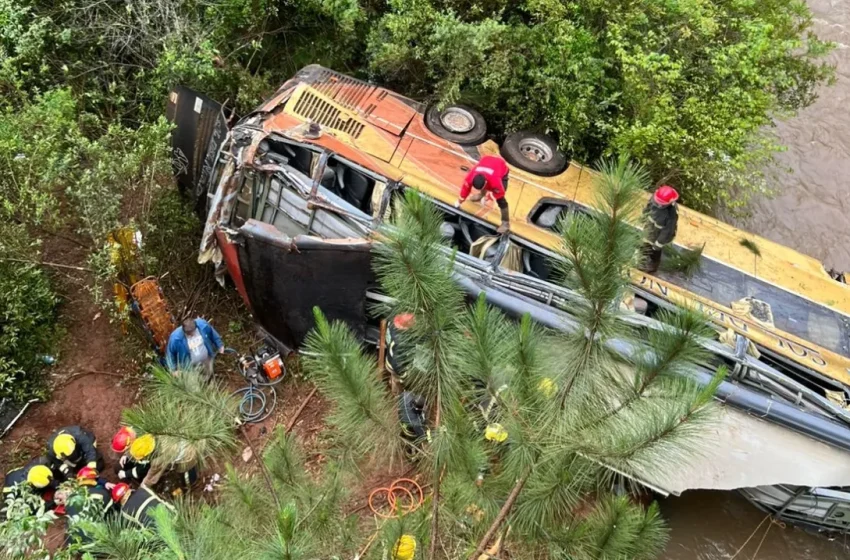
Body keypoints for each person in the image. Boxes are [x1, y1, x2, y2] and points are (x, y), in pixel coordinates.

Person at [454, 155, 511, 234]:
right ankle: (480, 195)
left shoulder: (495, 180)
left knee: (501, 201)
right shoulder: (471, 176)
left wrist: (488, 197)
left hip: (500, 167)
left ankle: (505, 223)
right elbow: (465, 188)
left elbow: (500, 193)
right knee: (484, 189)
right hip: (486, 161)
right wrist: (460, 201)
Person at [639, 185, 679, 273]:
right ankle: (641, 259)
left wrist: (659, 243)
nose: (659, 205)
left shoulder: (672, 212)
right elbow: (648, 206)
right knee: (645, 242)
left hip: (661, 232)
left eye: (662, 204)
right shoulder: (655, 198)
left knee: (655, 250)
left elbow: (668, 230)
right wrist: (644, 216)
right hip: (650, 226)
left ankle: (654, 263)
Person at [385, 313, 415, 384]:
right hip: (395, 368)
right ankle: (397, 388)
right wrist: (404, 376)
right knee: (399, 383)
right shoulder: (401, 343)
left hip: (389, 358)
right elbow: (397, 365)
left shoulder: (392, 321)